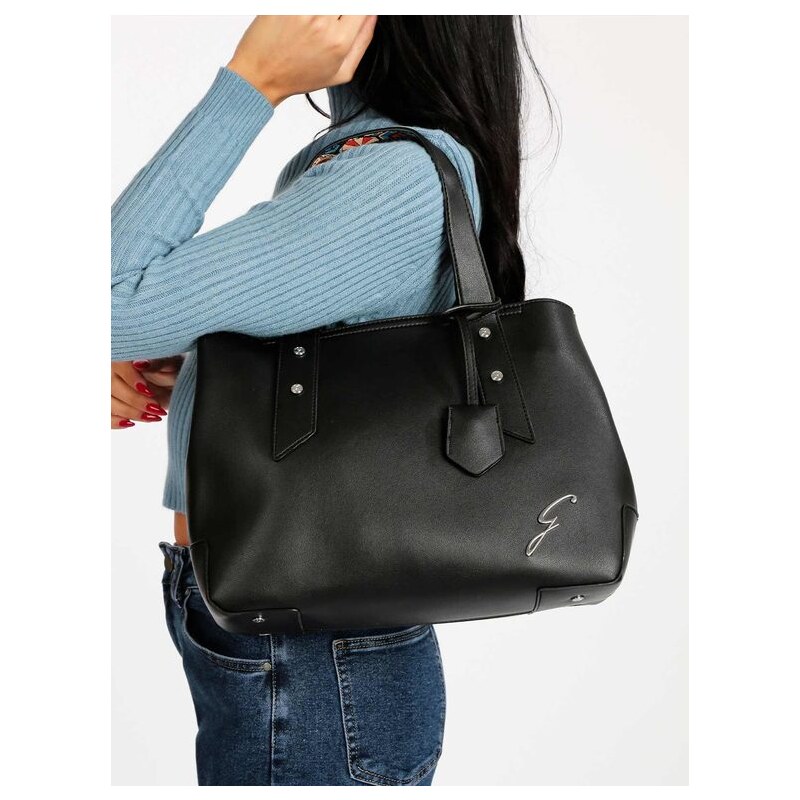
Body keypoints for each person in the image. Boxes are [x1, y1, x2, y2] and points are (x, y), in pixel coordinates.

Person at [111, 15, 552, 786]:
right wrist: (198, 372)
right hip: (299, 630)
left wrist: (250, 85)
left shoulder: (391, 178)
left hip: (312, 650)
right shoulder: (369, 162)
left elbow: (102, 297)